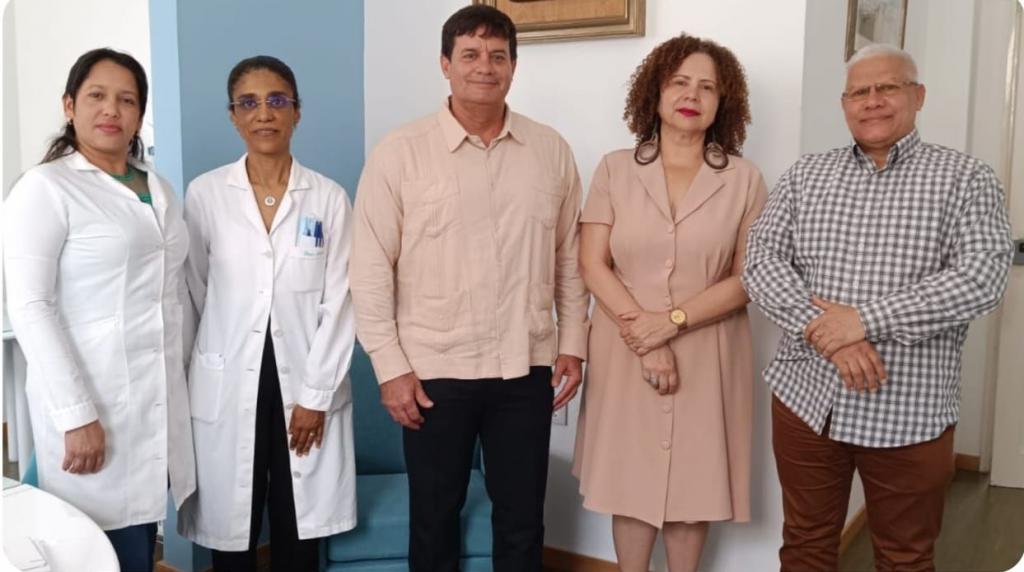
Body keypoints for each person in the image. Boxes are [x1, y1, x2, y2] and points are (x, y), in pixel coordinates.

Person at [742, 44, 1013, 571]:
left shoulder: (967, 178)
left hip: (909, 407)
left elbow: (981, 279)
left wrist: (864, 321)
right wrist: (824, 330)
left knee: (904, 557)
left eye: (887, 87)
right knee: (804, 545)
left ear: (918, 95)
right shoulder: (806, 175)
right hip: (806, 398)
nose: (872, 101)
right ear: (844, 104)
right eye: (859, 92)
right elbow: (761, 262)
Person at [349, 5, 590, 571]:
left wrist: (573, 344)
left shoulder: (550, 150)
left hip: (525, 365)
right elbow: (369, 270)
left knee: (523, 518)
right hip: (433, 370)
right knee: (434, 516)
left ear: (514, 67)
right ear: (445, 64)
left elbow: (569, 257)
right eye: (471, 54)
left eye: (498, 56)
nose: (486, 67)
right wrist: (390, 369)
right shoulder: (399, 153)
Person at [571, 34, 767, 572]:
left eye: (707, 87)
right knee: (631, 484)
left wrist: (671, 323)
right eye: (679, 82)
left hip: (709, 348)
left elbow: (748, 277)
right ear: (655, 93)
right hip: (624, 345)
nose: (691, 95)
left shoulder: (745, 179)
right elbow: (592, 264)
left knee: (692, 488)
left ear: (723, 102)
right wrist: (646, 336)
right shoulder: (614, 169)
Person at [3, 48, 196, 572]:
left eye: (127, 100)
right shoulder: (45, 188)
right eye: (97, 96)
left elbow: (170, 296)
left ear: (139, 114)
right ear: (70, 106)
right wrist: (77, 414)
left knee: (138, 538)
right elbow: (31, 306)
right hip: (92, 402)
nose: (112, 109)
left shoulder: (157, 187)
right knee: (93, 547)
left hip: (155, 399)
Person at [177, 55, 356, 572]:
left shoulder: (327, 198)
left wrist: (316, 396)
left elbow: (341, 302)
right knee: (231, 527)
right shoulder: (206, 195)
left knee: (297, 526)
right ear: (233, 116)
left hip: (305, 378)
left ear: (297, 111)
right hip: (229, 378)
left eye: (277, 100)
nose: (264, 113)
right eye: (249, 103)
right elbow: (195, 291)